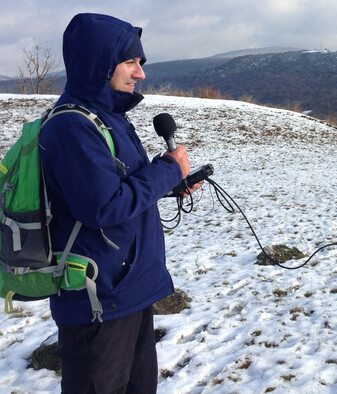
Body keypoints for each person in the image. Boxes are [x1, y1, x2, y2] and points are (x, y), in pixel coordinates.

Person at [39, 13, 192, 393]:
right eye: (130, 62)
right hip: (98, 304)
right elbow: (103, 207)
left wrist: (169, 183)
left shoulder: (109, 117)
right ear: (99, 63)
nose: (140, 73)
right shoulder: (72, 127)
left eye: (141, 62)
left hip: (129, 290)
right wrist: (169, 171)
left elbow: (119, 186)